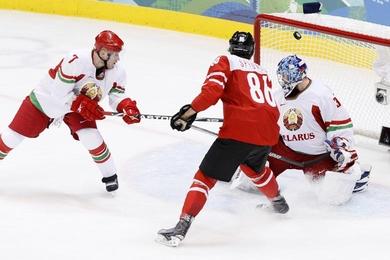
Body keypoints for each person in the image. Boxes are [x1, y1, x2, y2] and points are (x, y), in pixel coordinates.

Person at [156, 31, 289, 247]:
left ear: (230, 47)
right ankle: (278, 202)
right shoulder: (262, 71)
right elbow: (261, 105)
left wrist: (188, 113)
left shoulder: (224, 60)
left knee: (205, 177)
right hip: (268, 131)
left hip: (240, 131)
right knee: (254, 169)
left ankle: (181, 228)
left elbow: (211, 92)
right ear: (251, 51)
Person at [0, 30, 141, 192]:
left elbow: (117, 95)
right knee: (12, 137)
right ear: (103, 53)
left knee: (91, 137)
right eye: (115, 54)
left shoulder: (118, 71)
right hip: (46, 100)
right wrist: (82, 105)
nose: (118, 58)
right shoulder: (75, 60)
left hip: (78, 107)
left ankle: (110, 176)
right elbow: (59, 93)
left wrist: (126, 107)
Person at [234, 54, 371, 204]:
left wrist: (341, 146)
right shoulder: (277, 97)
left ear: (296, 75)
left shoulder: (321, 95)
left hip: (317, 157)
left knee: (331, 198)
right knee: (248, 183)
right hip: (286, 152)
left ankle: (358, 175)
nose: (282, 80)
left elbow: (340, 124)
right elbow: (265, 125)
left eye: (285, 76)